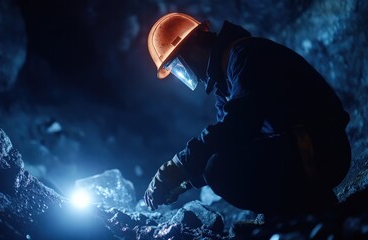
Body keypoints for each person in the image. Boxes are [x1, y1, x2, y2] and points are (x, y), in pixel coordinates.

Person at [144, 12, 351, 216]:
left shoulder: (247, 55)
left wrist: (179, 165)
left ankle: (298, 208)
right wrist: (185, 181)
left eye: (180, 65)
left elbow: (239, 125)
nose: (187, 75)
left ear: (195, 42)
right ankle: (301, 206)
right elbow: (225, 142)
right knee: (217, 161)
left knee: (219, 168)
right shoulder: (225, 82)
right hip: (305, 146)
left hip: (324, 148)